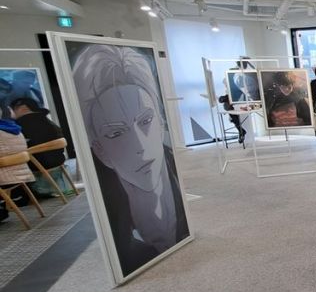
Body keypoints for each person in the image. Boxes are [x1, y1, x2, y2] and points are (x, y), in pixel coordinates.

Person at [72, 44, 189, 276]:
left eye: (145, 121)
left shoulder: (175, 175)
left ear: (161, 123)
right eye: (116, 133)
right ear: (99, 150)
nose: (140, 146)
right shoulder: (109, 211)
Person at [9, 97, 67, 196]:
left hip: (39, 164)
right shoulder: (47, 121)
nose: (11, 113)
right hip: (58, 160)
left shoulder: (20, 125)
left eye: (12, 110)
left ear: (23, 108)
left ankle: (18, 196)